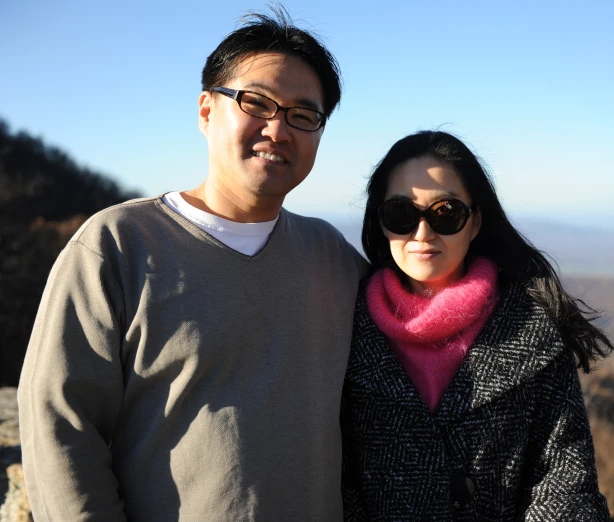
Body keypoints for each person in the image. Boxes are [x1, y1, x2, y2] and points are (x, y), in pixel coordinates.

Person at [17, 9, 366, 522]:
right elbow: (59, 428)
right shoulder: (118, 245)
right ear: (206, 111)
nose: (278, 128)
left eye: (302, 115)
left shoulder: (330, 255)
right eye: (257, 102)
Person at [341, 130, 614, 521]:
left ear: (475, 223)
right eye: (401, 214)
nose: (422, 234)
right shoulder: (341, 326)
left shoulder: (533, 331)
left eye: (447, 213)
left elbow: (564, 484)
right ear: (381, 222)